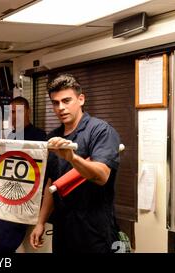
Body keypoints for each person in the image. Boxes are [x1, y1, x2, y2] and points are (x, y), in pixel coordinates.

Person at [29, 74, 121, 253]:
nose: (61, 108)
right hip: (64, 231)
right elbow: (51, 183)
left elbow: (102, 176)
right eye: (55, 103)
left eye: (66, 100)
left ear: (81, 99)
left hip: (94, 233)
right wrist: (40, 222)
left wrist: (72, 158)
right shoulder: (53, 138)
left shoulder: (100, 131)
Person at [0, 96, 47, 254]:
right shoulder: (9, 137)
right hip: (3, 201)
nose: (13, 116)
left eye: (18, 112)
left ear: (28, 111)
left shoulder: (40, 137)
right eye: (11, 112)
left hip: (21, 202)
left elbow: (43, 173)